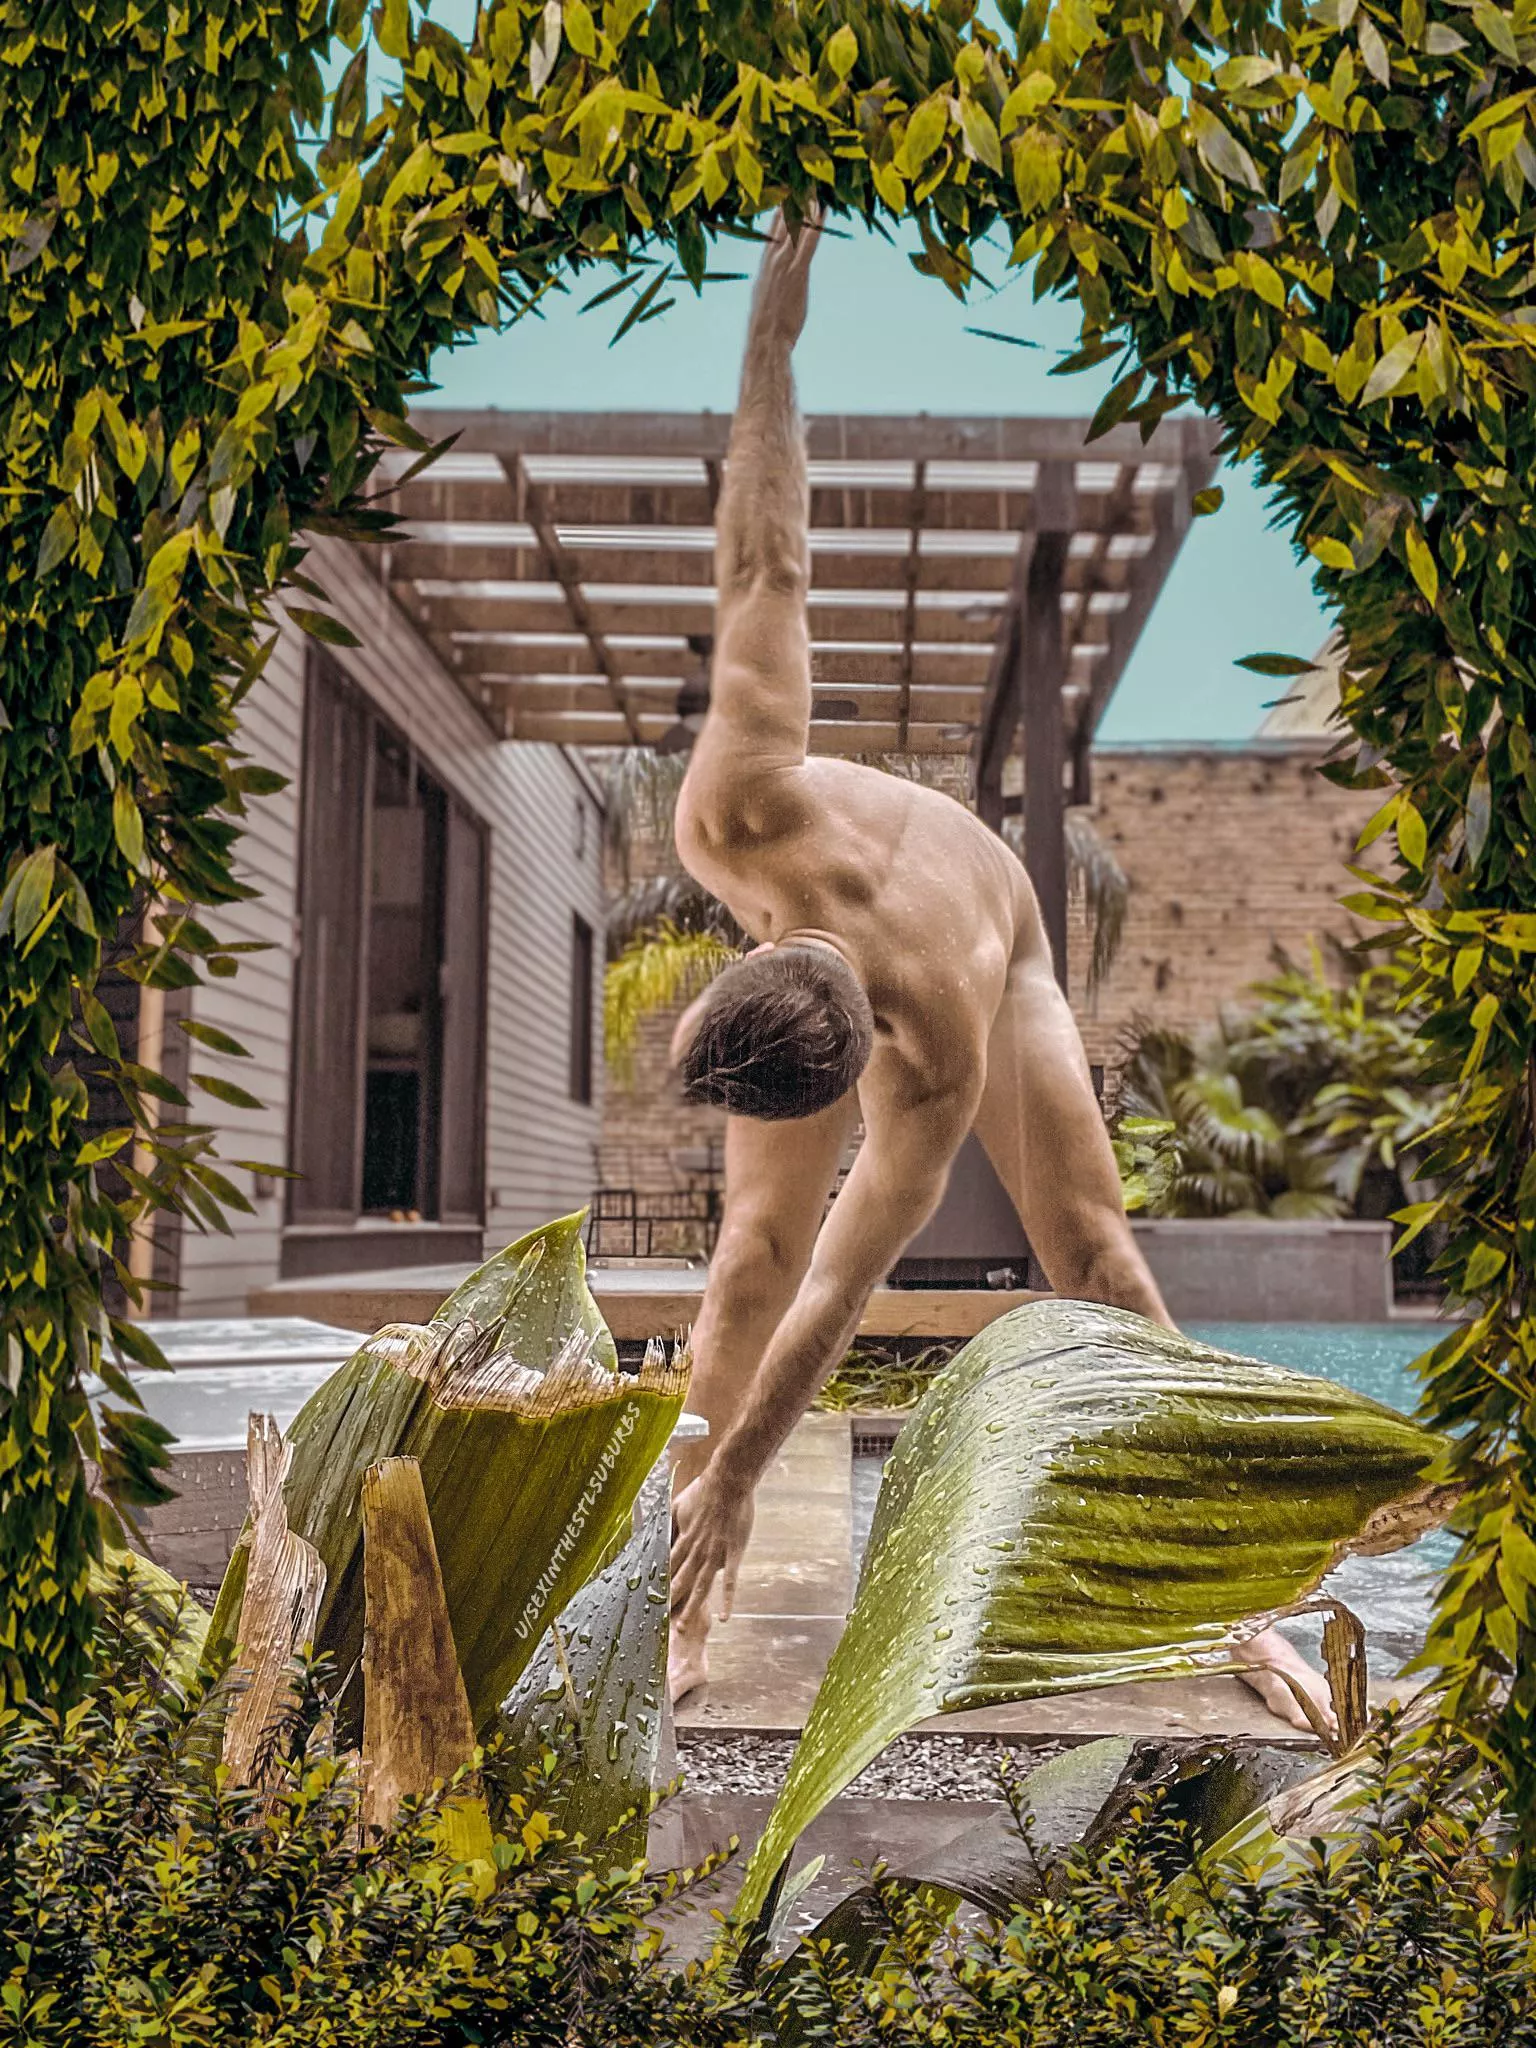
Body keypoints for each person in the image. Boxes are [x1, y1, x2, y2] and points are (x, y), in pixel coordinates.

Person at [664, 207, 1333, 1737]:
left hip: (998, 920)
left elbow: (844, 1289)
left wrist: (758, 1457)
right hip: (870, 890)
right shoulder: (738, 803)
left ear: (865, 1066)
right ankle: (689, 1565)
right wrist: (769, 347)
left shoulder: (942, 1052)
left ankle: (1230, 1589)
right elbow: (764, 555)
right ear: (750, 959)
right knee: (737, 1261)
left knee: (1098, 1260)